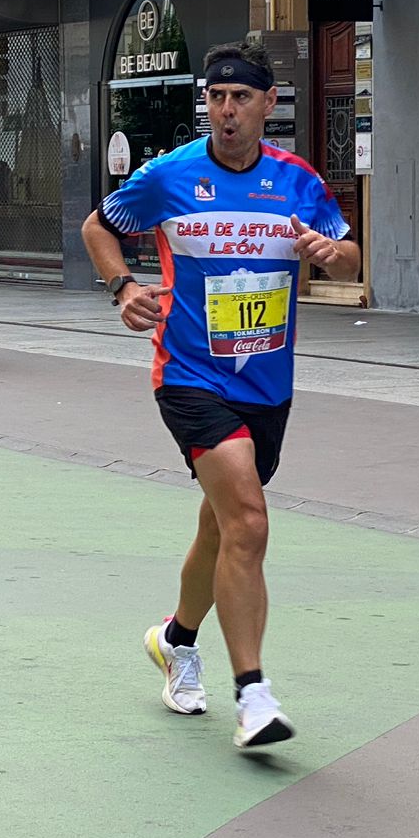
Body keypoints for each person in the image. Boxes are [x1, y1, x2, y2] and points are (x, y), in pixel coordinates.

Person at [82, 43, 359, 752]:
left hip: (267, 382)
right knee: (251, 521)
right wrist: (123, 287)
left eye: (240, 98)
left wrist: (332, 256)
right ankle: (255, 695)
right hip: (189, 374)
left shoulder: (298, 182)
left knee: (222, 526)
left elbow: (352, 253)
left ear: (269, 105)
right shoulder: (169, 176)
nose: (226, 110)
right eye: (215, 98)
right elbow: (99, 226)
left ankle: (176, 640)